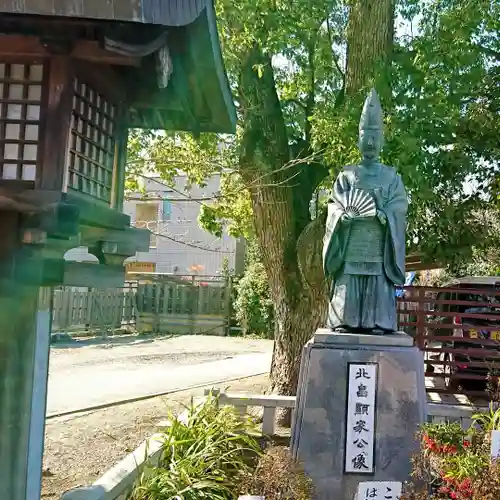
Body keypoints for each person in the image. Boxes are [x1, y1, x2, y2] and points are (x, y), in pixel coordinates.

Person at [322, 89, 408, 333]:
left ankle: (378, 322)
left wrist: (386, 216)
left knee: (378, 285)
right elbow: (334, 205)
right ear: (358, 139)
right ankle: (345, 320)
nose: (370, 143)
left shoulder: (392, 177)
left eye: (374, 137)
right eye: (365, 136)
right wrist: (342, 218)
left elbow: (399, 207)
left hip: (378, 247)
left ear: (381, 140)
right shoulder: (346, 175)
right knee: (348, 285)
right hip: (351, 245)